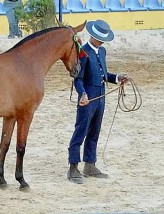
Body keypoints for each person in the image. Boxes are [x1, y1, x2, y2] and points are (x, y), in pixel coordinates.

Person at [67, 20, 129, 184]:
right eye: (99, 38)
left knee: (94, 130)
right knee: (81, 130)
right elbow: (78, 79)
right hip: (88, 99)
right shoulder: (83, 53)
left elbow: (103, 74)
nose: (101, 41)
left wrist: (116, 78)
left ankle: (90, 164)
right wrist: (83, 94)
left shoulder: (102, 51)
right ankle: (73, 167)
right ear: (93, 36)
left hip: (100, 97)